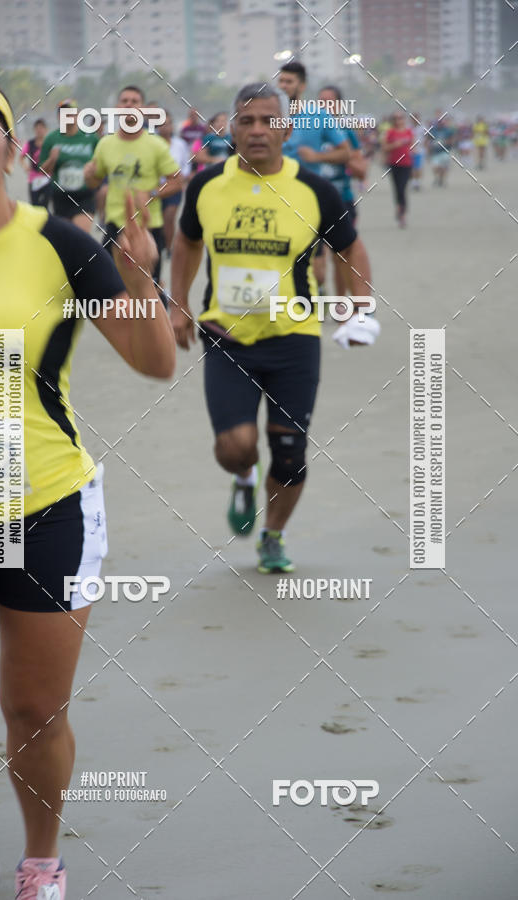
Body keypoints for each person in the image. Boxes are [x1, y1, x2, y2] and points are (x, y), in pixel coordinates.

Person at [0, 66, 175, 900]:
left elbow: (154, 362)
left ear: (11, 147)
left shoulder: (61, 245)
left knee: (34, 714)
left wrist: (137, 278)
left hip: (48, 506)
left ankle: (40, 858)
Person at [170, 83, 377, 574]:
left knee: (289, 453)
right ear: (231, 129)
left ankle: (272, 535)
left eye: (267, 121)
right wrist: (178, 305)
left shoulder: (314, 189)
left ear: (284, 128)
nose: (257, 130)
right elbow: (185, 243)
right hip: (227, 334)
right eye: (246, 121)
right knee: (235, 446)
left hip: (295, 338)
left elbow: (350, 247)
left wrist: (359, 306)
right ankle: (243, 478)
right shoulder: (206, 185)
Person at [83, 85, 183, 301]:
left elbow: (177, 180)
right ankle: (126, 330)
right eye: (124, 101)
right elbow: (94, 181)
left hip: (148, 226)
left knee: (149, 289)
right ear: (117, 108)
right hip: (115, 225)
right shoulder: (105, 144)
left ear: (142, 110)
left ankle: (160, 328)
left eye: (135, 101)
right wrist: (89, 174)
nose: (129, 105)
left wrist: (154, 193)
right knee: (105, 285)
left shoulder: (155, 145)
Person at [278, 62, 350, 291]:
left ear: (302, 85)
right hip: (275, 197)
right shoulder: (269, 116)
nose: (283, 86)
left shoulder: (318, 115)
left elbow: (345, 152)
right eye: (280, 81)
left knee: (318, 273)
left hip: (309, 200)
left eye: (288, 81)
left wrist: (316, 157)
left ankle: (316, 290)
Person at [316, 84, 368, 294]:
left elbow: (361, 171)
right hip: (312, 202)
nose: (324, 106)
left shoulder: (345, 132)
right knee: (316, 266)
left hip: (341, 201)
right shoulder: (308, 130)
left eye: (329, 102)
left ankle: (340, 303)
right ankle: (318, 289)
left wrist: (343, 157)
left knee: (340, 255)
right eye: (320, 102)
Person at [38, 98, 99, 232]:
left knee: (81, 236)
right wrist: (52, 159)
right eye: (64, 113)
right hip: (61, 196)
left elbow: (101, 163)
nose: (68, 116)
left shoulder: (90, 137)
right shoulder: (52, 138)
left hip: (84, 195)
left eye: (71, 112)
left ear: (79, 114)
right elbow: (42, 170)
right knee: (66, 239)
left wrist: (94, 173)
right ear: (59, 117)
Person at [157, 109, 192, 253]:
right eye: (162, 124)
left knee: (169, 216)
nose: (166, 127)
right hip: (157, 186)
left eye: (168, 124)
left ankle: (168, 247)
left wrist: (182, 177)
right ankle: (158, 244)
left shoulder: (180, 144)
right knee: (158, 219)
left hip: (174, 187)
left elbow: (186, 164)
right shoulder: (153, 143)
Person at [383, 111, 414, 227]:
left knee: (402, 188)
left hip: (406, 164)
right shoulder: (390, 132)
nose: (398, 120)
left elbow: (413, 146)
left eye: (400, 118)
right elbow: (385, 147)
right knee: (397, 188)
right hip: (394, 164)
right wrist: (395, 145)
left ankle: (402, 214)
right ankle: (399, 207)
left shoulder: (409, 132)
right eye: (396, 118)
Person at [19, 117, 50, 206]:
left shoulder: (49, 143)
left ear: (46, 129)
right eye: (37, 128)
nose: (39, 131)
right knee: (35, 205)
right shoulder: (30, 144)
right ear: (34, 130)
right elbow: (21, 158)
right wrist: (25, 167)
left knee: (45, 205)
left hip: (47, 178)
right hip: (33, 178)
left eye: (41, 128)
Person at [429, 113, 456, 188]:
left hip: (445, 151)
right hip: (435, 152)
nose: (440, 123)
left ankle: (442, 179)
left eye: (441, 122)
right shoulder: (433, 130)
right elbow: (429, 140)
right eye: (439, 122)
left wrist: (444, 142)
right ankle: (437, 177)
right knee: (435, 167)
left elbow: (452, 140)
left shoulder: (448, 130)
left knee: (444, 167)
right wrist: (430, 147)